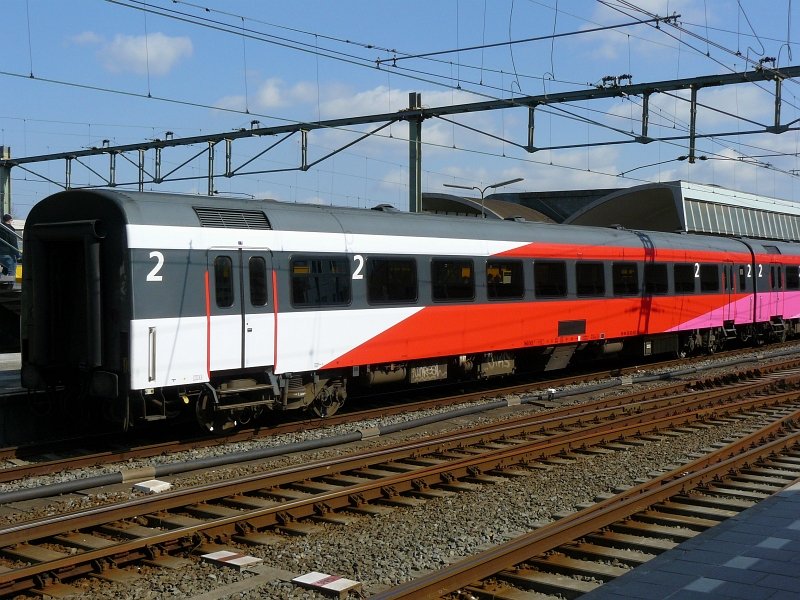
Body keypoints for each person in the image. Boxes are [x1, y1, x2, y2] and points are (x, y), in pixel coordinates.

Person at [0, 214, 20, 278]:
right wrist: (17, 255)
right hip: (8, 253)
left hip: (1, 253)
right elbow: (14, 243)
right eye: (11, 220)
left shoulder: (1, 227)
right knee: (12, 268)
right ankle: (9, 286)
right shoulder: (10, 229)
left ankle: (2, 279)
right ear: (9, 220)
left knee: (5, 268)